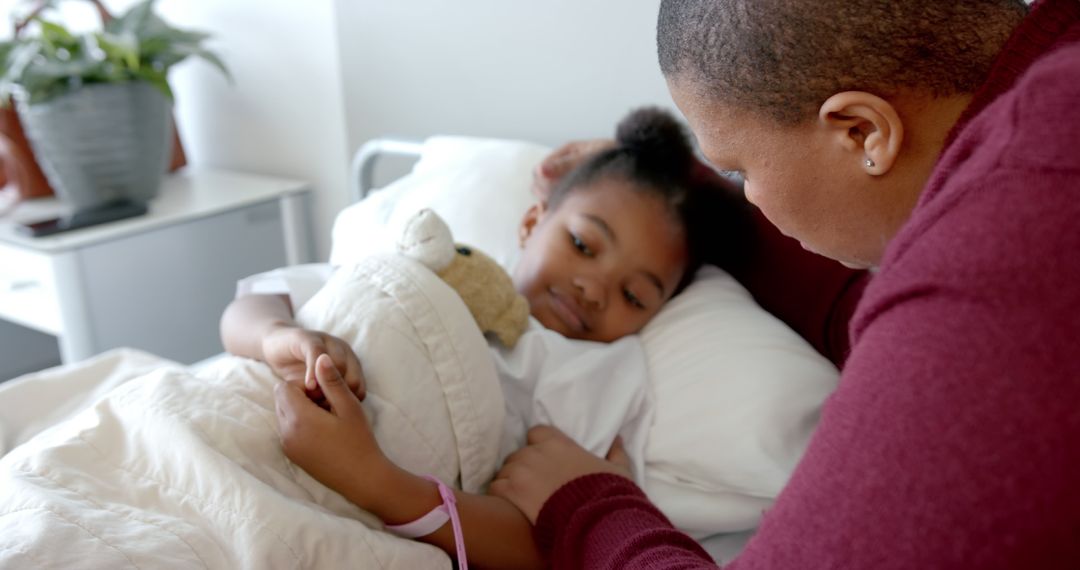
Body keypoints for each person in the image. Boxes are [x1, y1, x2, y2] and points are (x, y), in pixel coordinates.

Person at [486, 0, 1080, 568]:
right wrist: (683, 197)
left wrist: (589, 507)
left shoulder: (984, 286)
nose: (747, 194)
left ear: (862, 132)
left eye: (737, 169)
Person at [221, 108, 747, 568]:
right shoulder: (441, 260)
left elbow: (552, 540)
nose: (592, 288)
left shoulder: (599, 377)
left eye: (633, 296)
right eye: (583, 244)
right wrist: (279, 336)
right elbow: (260, 297)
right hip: (239, 426)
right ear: (531, 222)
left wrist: (373, 479)